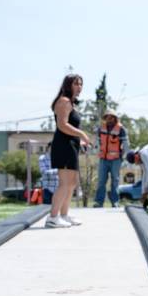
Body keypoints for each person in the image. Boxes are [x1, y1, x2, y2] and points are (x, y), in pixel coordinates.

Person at [46, 74, 91, 229]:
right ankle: (52, 217)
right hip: (63, 146)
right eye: (76, 84)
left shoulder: (71, 103)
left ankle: (64, 215)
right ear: (68, 85)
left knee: (72, 183)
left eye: (81, 84)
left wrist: (81, 140)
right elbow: (62, 125)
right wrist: (82, 134)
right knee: (64, 183)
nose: (79, 87)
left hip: (71, 145)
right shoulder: (64, 101)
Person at [94, 109, 128, 208]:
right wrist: (96, 152)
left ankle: (115, 202)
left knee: (115, 181)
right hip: (103, 159)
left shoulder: (121, 129)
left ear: (115, 118)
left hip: (116, 159)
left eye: (111, 117)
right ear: (105, 118)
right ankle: (99, 202)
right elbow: (97, 143)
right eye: (107, 117)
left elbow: (126, 145)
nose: (109, 119)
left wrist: (124, 158)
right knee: (101, 181)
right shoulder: (101, 129)